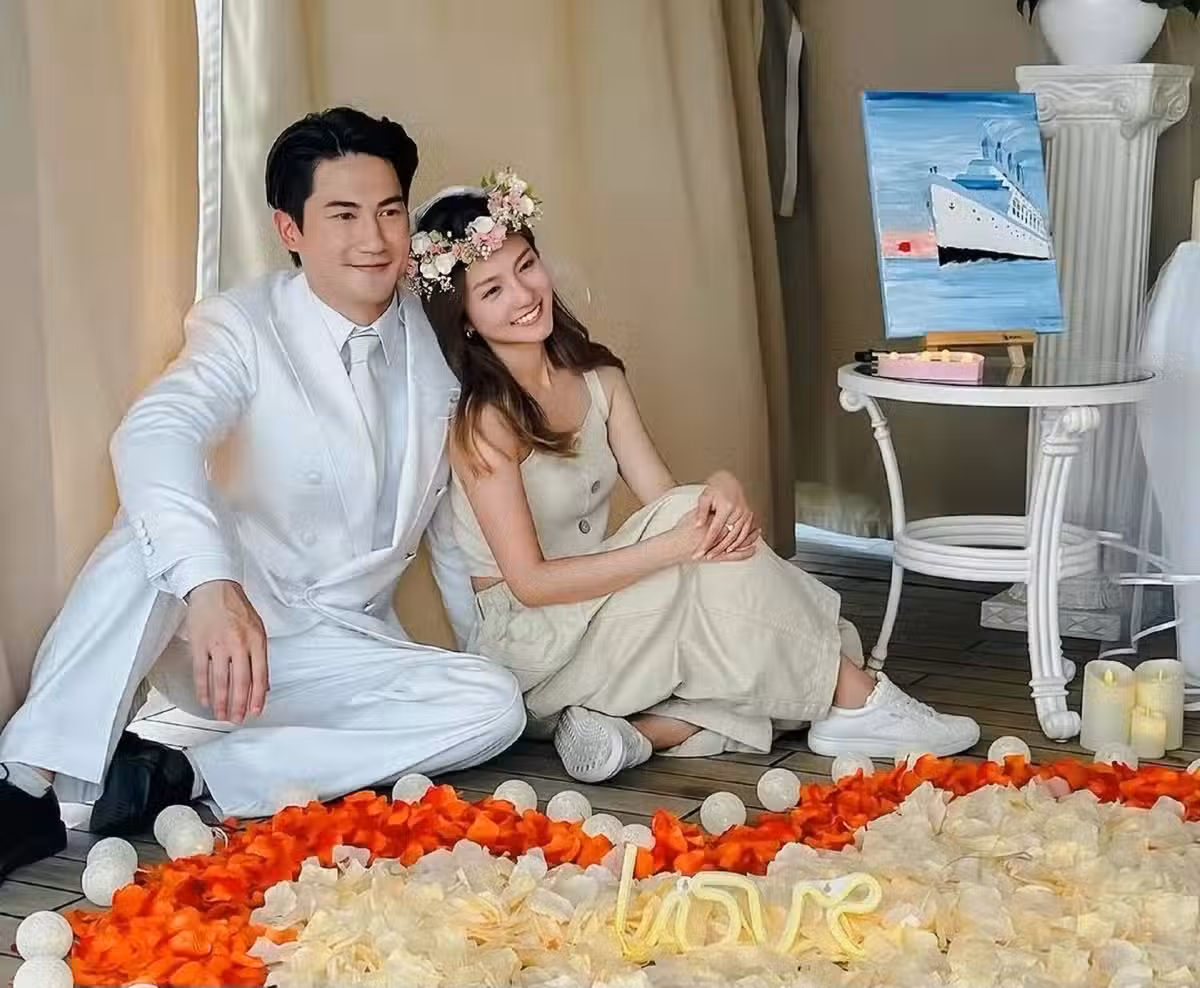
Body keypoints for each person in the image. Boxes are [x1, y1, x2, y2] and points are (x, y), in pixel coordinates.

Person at [0, 109, 525, 882]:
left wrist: (490, 640)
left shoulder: (440, 337)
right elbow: (154, 433)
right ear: (290, 229)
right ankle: (23, 786)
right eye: (343, 215)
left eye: (389, 212)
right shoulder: (243, 323)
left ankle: (183, 776)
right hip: (219, 634)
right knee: (155, 525)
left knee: (495, 703)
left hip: (337, 647)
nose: (374, 239)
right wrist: (211, 585)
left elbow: (452, 523)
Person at [410, 172, 980, 784]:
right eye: (492, 289)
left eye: (527, 266)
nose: (524, 294)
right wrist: (679, 541)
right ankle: (856, 695)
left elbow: (669, 501)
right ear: (465, 318)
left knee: (732, 608)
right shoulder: (484, 421)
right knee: (745, 622)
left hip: (606, 612)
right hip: (536, 648)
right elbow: (530, 584)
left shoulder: (600, 381)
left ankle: (640, 735)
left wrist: (722, 486)